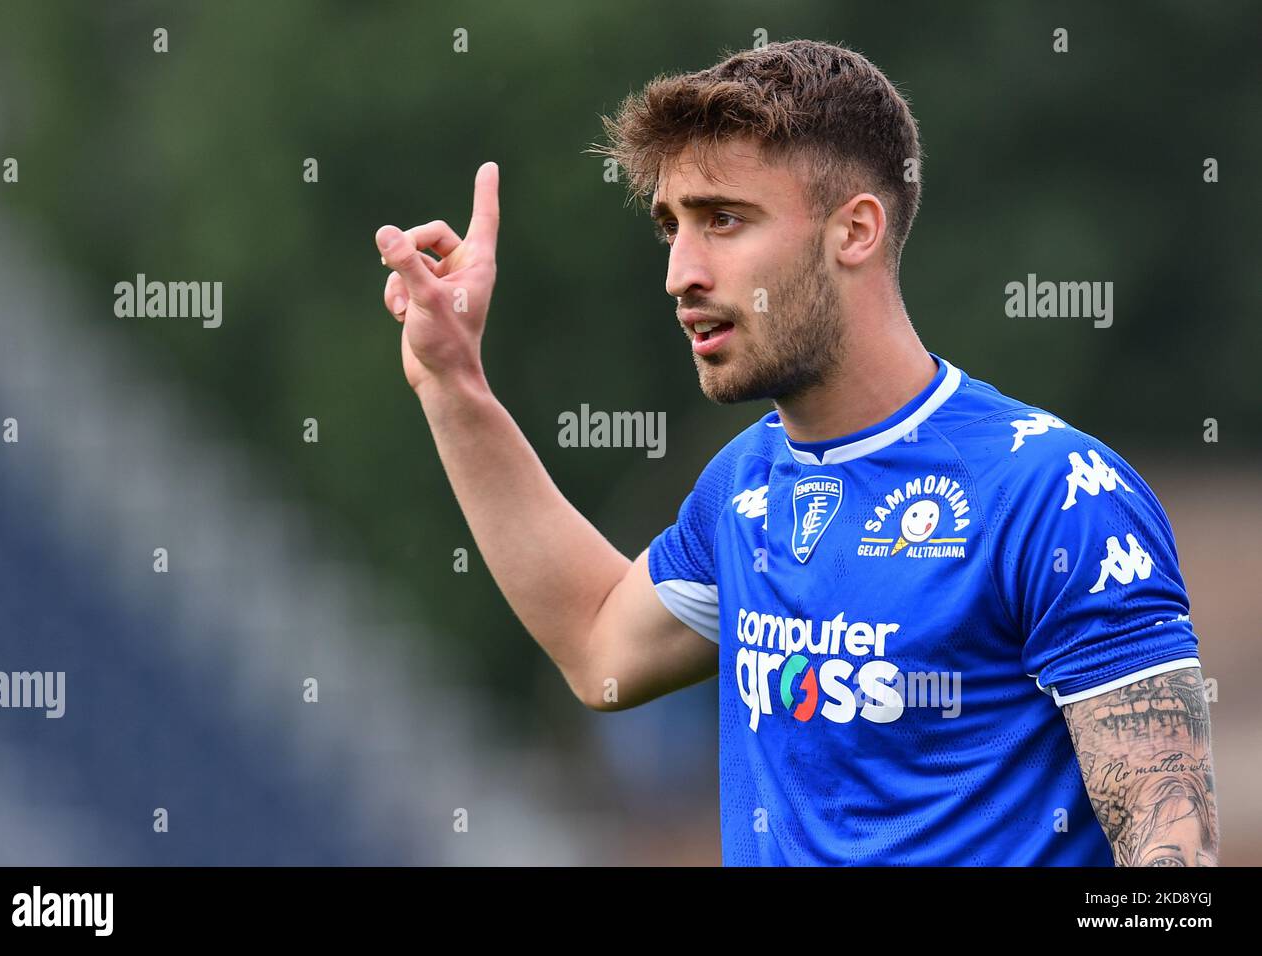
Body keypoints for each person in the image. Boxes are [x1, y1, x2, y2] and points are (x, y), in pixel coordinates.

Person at [374, 40, 1218, 866]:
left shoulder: (1052, 492)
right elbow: (600, 650)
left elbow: (1170, 852)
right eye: (672, 227)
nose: (680, 273)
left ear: (853, 231)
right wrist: (452, 384)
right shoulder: (741, 484)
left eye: (724, 221)